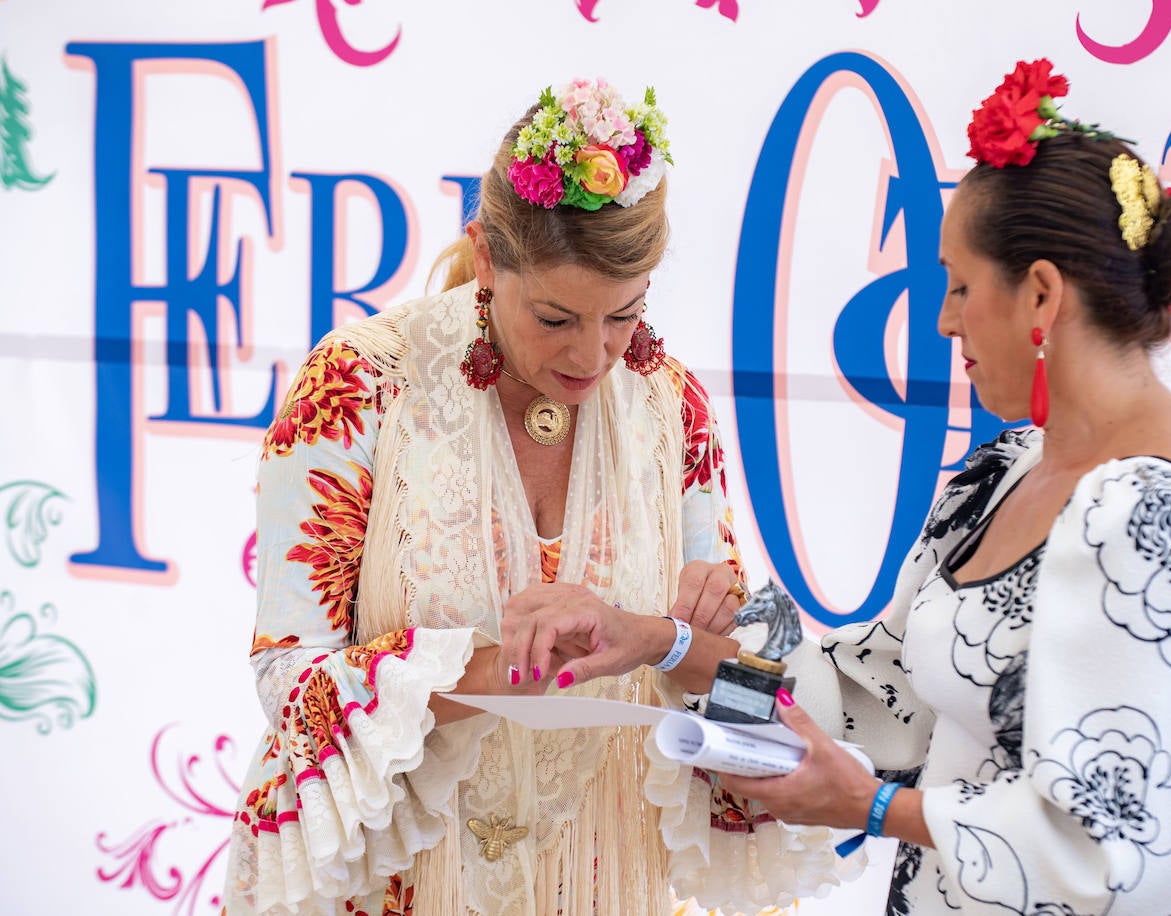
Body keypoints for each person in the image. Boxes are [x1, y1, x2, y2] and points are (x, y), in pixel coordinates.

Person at [223, 78, 849, 916]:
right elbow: (286, 675)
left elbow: (755, 692)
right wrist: (493, 677)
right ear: (485, 256)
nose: (594, 356)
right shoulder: (360, 383)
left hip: (600, 878)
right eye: (556, 318)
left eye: (624, 316)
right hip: (385, 882)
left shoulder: (672, 408)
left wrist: (684, 642)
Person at [709, 60, 1171, 914]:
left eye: (961, 285)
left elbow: (1106, 862)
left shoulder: (1160, 521)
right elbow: (880, 696)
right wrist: (678, 647)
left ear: (1041, 295)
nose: (943, 319)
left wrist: (870, 807)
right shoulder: (1005, 469)